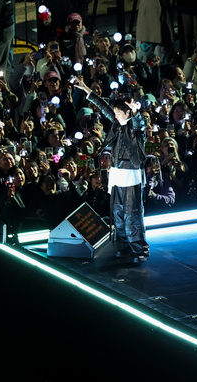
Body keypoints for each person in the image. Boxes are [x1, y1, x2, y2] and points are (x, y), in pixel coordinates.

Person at [75, 82, 149, 261]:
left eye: (119, 112)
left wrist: (136, 112)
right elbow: (104, 106)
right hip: (117, 172)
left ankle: (139, 248)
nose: (115, 115)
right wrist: (87, 90)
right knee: (117, 212)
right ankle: (124, 245)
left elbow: (140, 123)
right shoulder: (116, 125)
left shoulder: (135, 127)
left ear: (127, 112)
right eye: (115, 113)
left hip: (131, 174)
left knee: (133, 213)